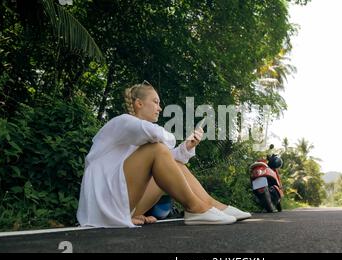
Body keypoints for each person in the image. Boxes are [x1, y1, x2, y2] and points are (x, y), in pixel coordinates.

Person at [77, 81, 251, 227]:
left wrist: (188, 146)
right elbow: (159, 139)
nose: (159, 108)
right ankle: (195, 208)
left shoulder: (140, 137)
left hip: (123, 204)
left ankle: (212, 205)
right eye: (155, 102)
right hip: (103, 205)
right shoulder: (123, 122)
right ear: (139, 104)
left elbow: (170, 161)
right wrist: (169, 141)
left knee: (170, 162)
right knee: (158, 149)